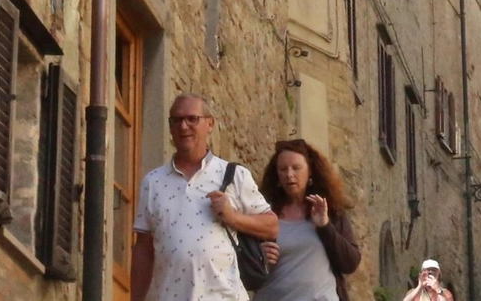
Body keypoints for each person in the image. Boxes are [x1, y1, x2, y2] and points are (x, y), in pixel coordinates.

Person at [131, 93, 279, 301]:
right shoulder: (153, 182)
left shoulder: (233, 175)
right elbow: (143, 250)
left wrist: (232, 217)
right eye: (177, 120)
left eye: (192, 119)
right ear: (170, 127)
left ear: (210, 124)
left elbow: (272, 225)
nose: (184, 126)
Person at [255, 138, 360, 301]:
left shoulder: (330, 210)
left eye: (296, 168)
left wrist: (325, 227)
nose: (289, 174)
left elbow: (350, 263)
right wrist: (258, 256)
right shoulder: (264, 212)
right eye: (283, 169)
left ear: (310, 171)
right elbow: (242, 267)